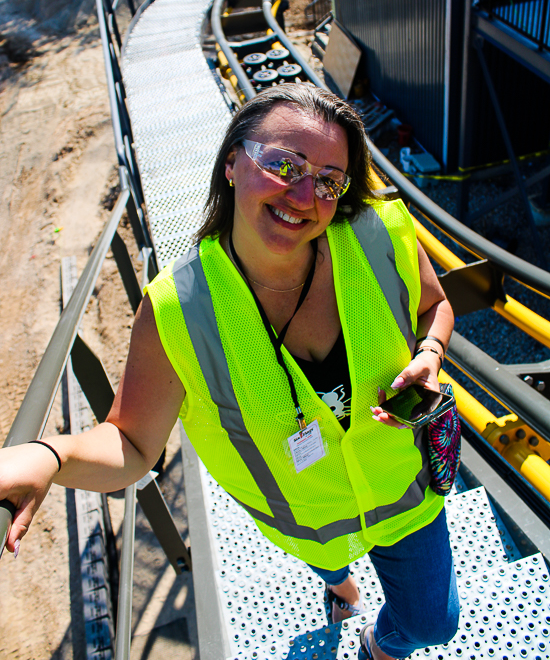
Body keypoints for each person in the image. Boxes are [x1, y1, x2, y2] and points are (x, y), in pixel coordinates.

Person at [0, 84, 458, 660]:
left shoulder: (381, 234)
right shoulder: (178, 309)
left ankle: (376, 643)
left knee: (433, 625)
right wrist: (49, 457)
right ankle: (340, 587)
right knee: (330, 558)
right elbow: (133, 443)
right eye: (284, 164)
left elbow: (433, 307)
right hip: (304, 513)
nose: (303, 193)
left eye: (327, 180)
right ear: (233, 164)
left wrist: (430, 354)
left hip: (402, 489)